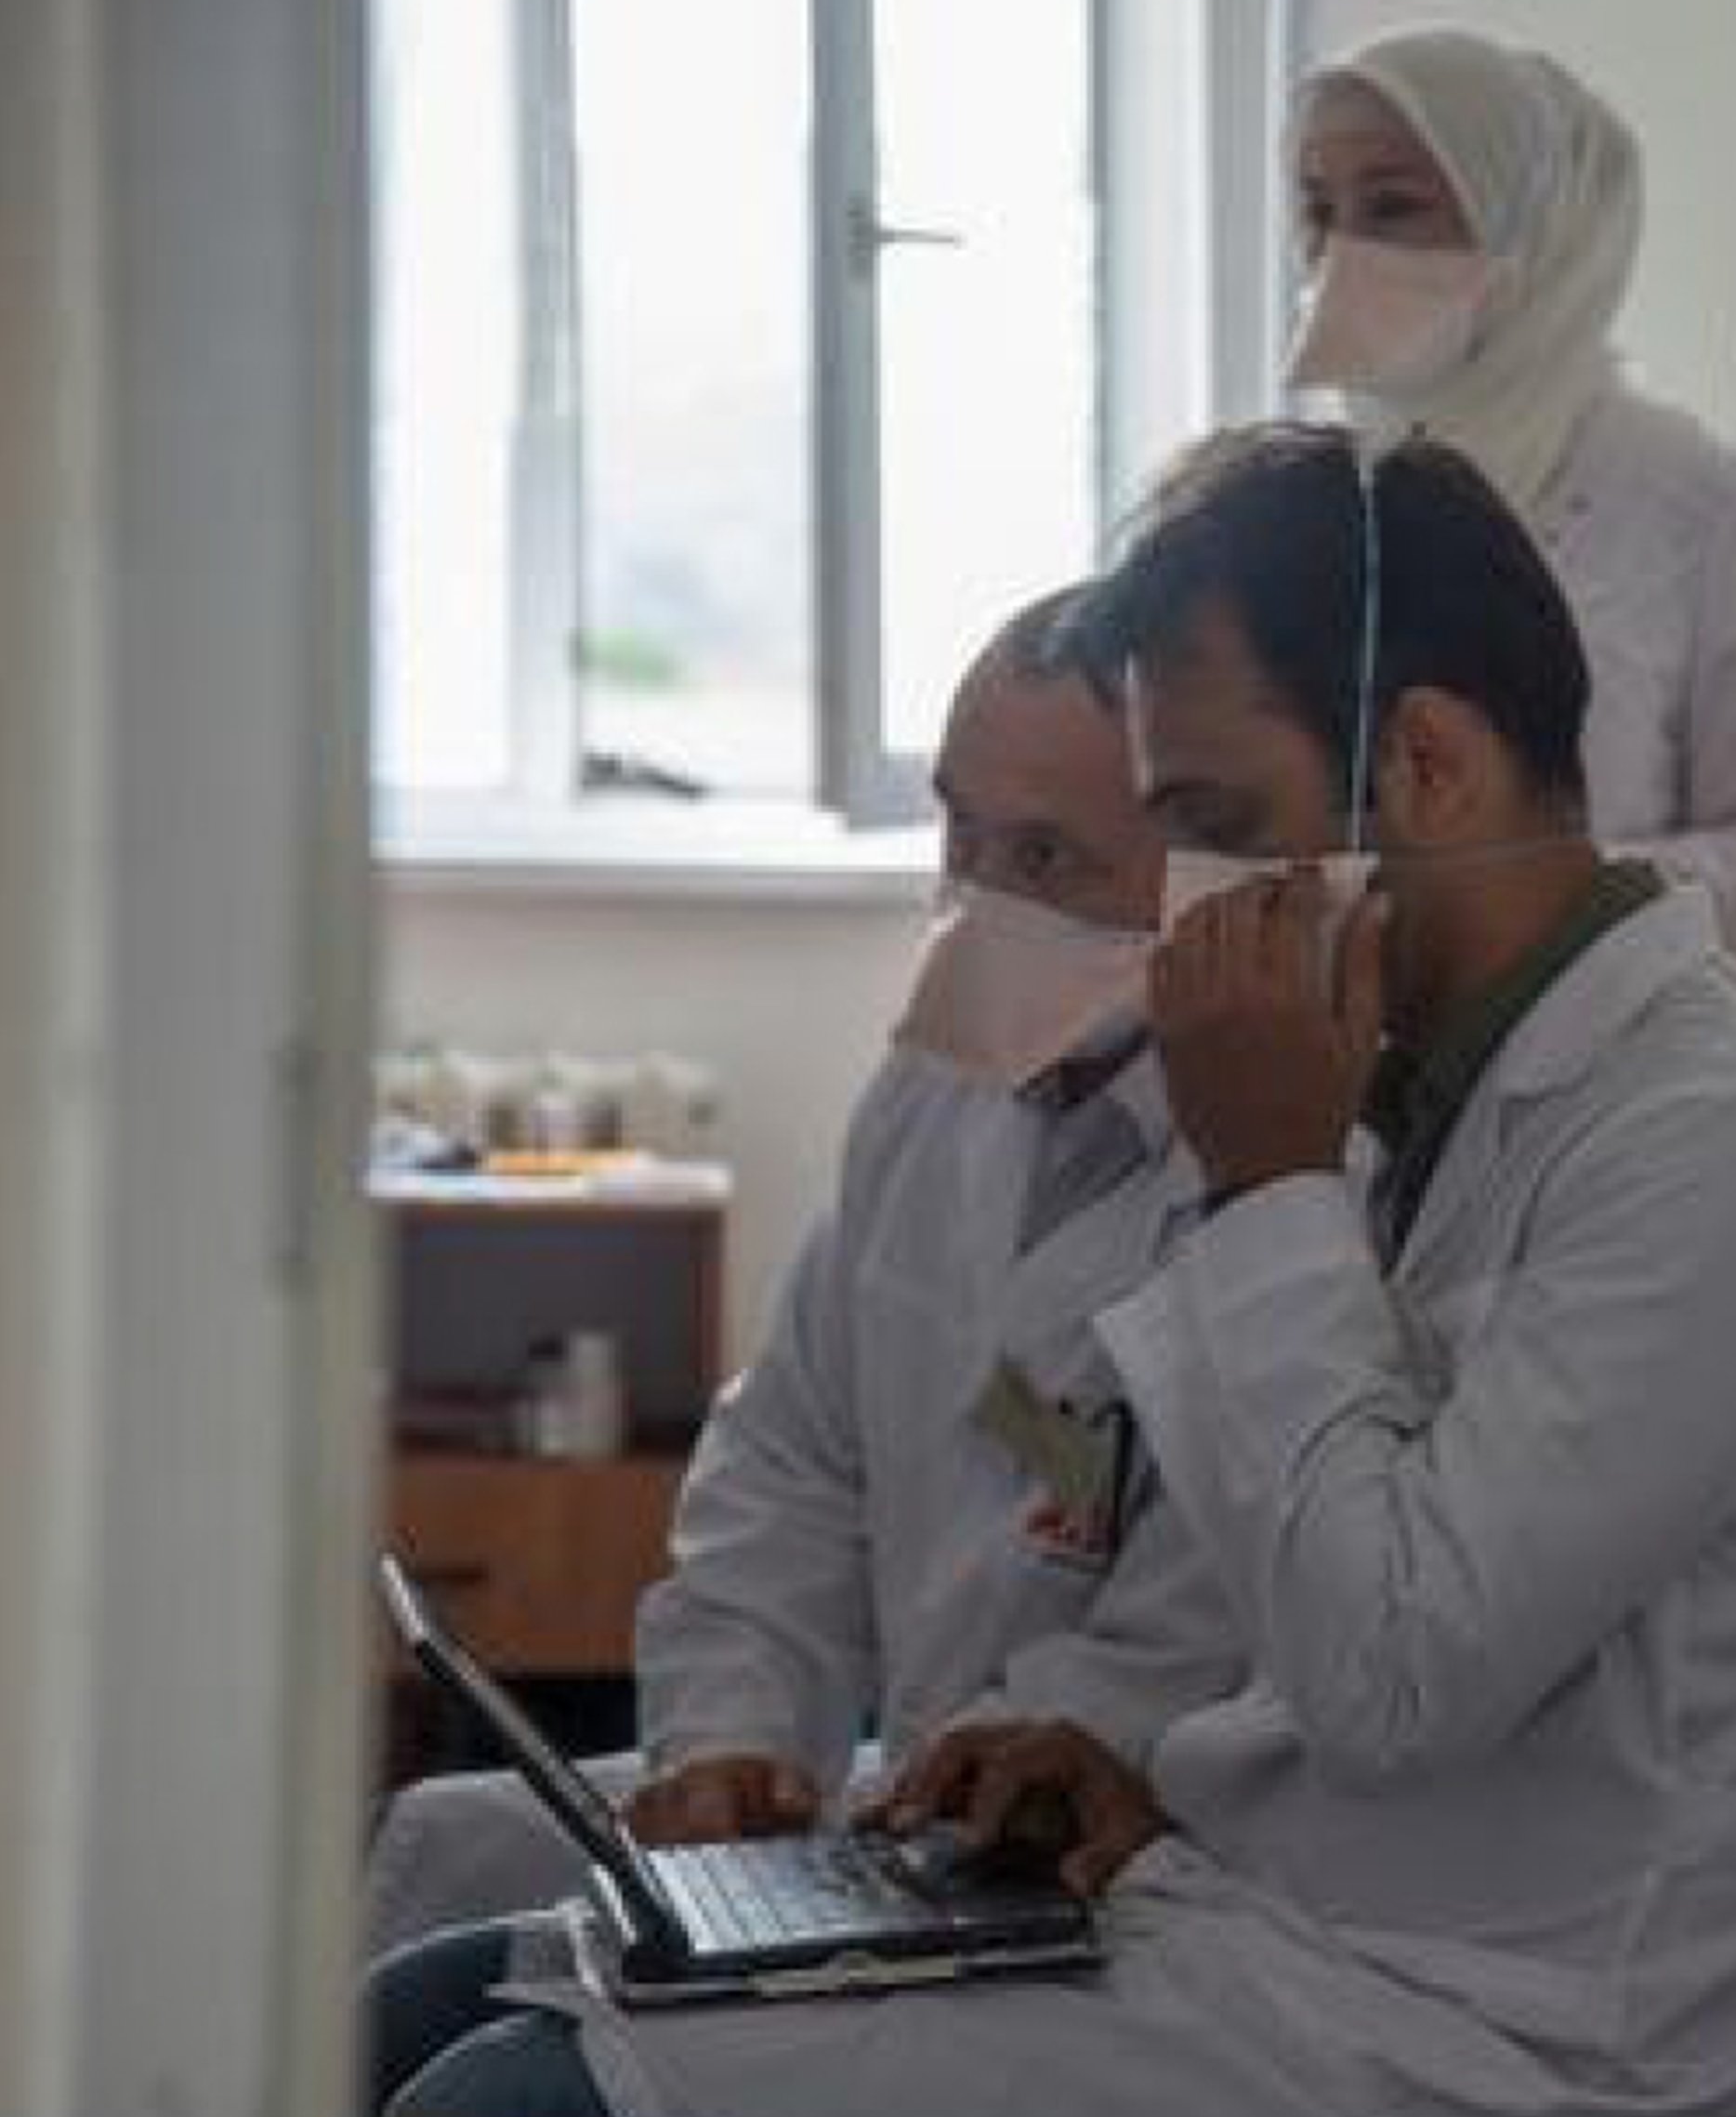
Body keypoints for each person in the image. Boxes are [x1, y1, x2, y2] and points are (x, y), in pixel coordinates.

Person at [363, 426, 1736, 2117]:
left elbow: (1395, 1670)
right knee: (427, 2006)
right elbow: (1269, 1574)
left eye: (1211, 827)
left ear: (1423, 761)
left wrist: (1272, 1185)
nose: (1175, 903)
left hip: (1486, 2057)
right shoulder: (1423, 1081)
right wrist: (1113, 1748)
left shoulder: (1714, 1143)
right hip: (1247, 1919)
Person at [362, 589, 1239, 1953]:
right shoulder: (932, 1091)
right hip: (885, 1809)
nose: (980, 894)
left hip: (1085, 1877)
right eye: (959, 827)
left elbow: (1199, 1642)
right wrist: (733, 1740)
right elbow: (788, 1458)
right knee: (428, 1867)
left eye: (1049, 854)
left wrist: (969, 1774)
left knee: (483, 2092)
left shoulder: (1270, 1173)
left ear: (1209, 867)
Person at [1275, 23, 1736, 991]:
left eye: (1392, 208)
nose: (1338, 256)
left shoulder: (1708, 512)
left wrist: (1545, 900)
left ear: (1535, 234)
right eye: (1317, 211)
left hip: (1621, 1081)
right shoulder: (1293, 503)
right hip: (1327, 1083)